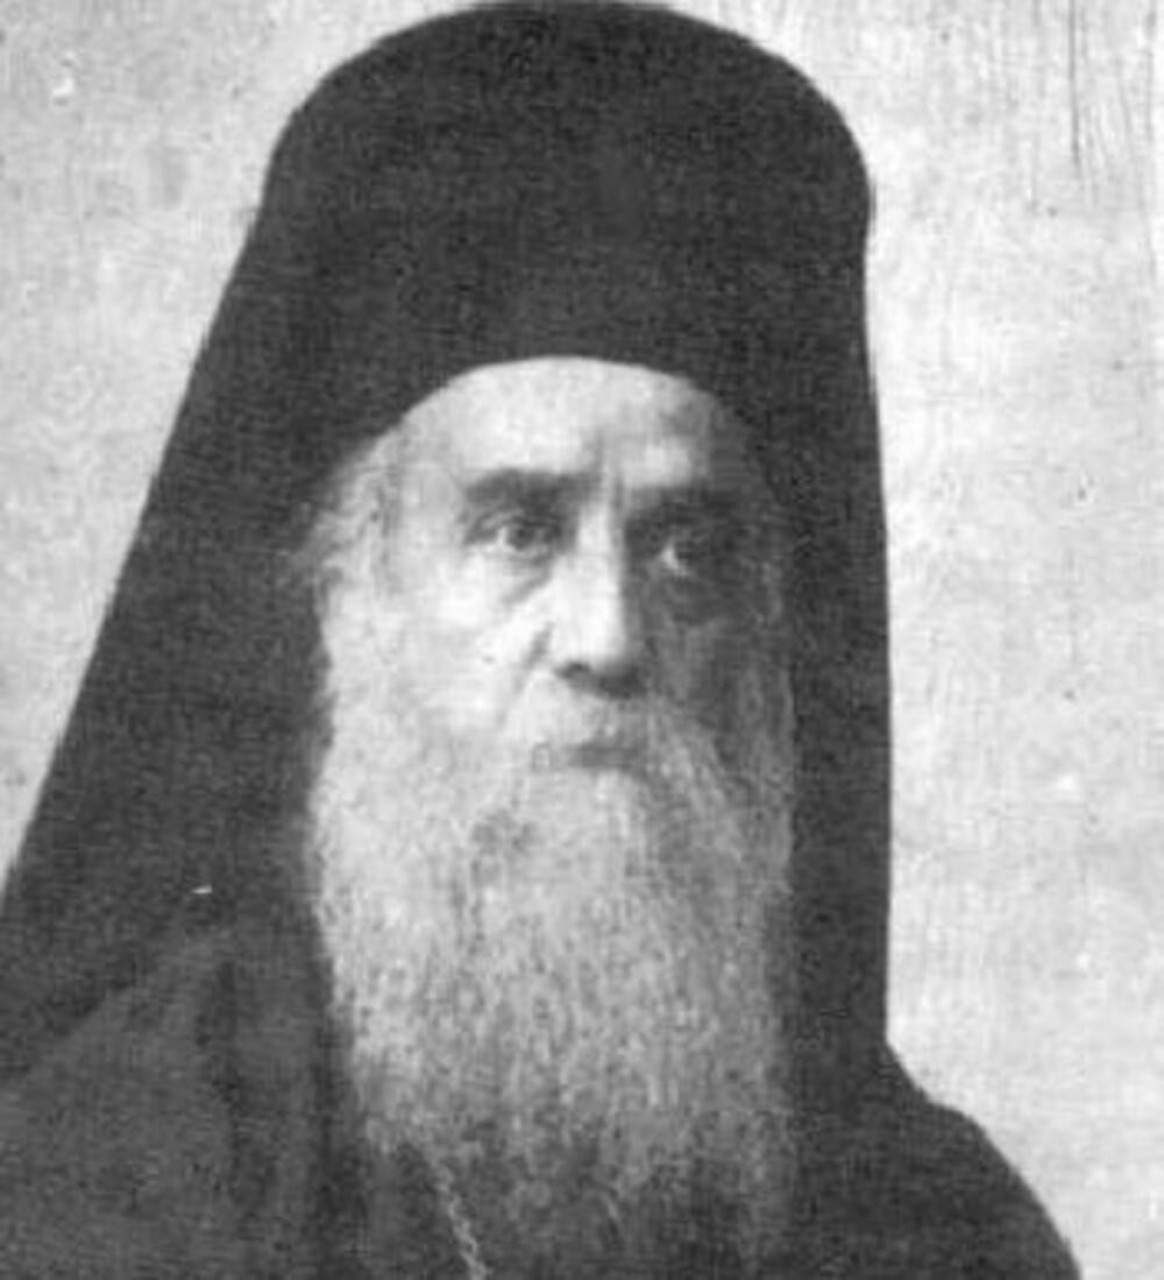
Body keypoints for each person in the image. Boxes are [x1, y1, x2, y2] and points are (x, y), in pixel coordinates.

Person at [0, 3, 1077, 1275]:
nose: (609, 637)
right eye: (519, 529)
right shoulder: (118, 1165)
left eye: (687, 547)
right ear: (354, 594)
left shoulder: (937, 1221)